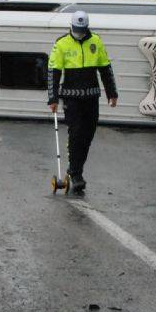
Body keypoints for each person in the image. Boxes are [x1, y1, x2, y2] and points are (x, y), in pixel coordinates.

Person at [47, 11, 118, 194]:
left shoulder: (96, 41)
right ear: (71, 26)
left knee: (88, 135)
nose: (79, 32)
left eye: (82, 29)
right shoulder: (61, 43)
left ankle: (76, 169)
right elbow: (53, 72)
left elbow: (105, 68)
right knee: (76, 132)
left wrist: (112, 93)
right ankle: (76, 173)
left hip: (91, 97)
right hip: (72, 97)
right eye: (77, 29)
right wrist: (52, 98)